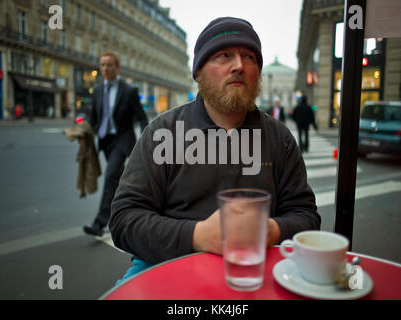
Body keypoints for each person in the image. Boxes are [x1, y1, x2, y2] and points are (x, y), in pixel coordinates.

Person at [109, 17, 320, 282]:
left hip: (257, 267)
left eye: (249, 57)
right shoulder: (163, 133)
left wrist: (273, 230)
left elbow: (306, 215)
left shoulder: (279, 138)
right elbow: (123, 220)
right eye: (224, 56)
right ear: (198, 72)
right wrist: (196, 235)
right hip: (167, 264)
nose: (239, 66)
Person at [82, 51, 148, 237]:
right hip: (105, 141)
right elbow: (93, 118)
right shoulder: (96, 91)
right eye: (102, 65)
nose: (105, 68)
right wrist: (83, 134)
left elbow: (141, 117)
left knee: (111, 176)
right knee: (119, 183)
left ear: (117, 68)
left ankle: (99, 223)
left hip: (122, 140)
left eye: (110, 65)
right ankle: (134, 213)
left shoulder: (129, 91)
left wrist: (147, 139)